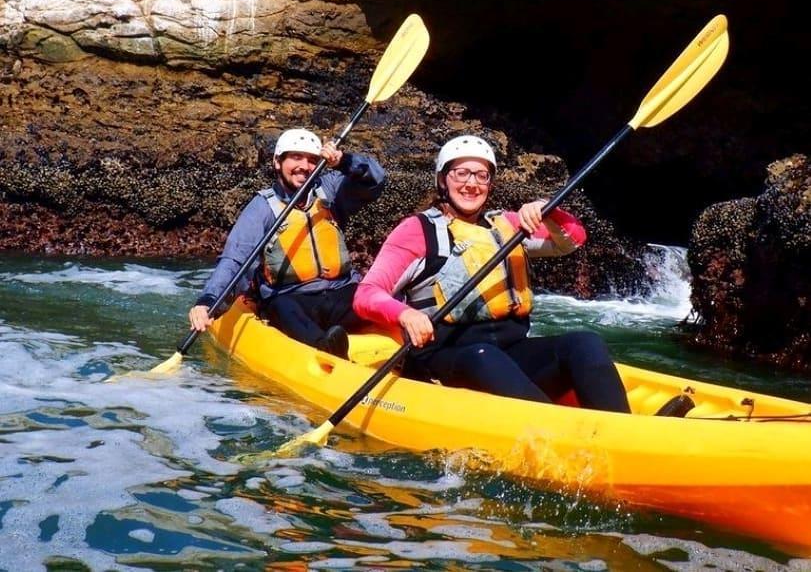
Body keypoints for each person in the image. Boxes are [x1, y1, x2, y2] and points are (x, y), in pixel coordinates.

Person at [353, 134, 631, 412]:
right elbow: (366, 294)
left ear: (490, 183)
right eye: (461, 173)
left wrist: (549, 211)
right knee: (482, 357)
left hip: (509, 355)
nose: (471, 183)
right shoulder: (418, 231)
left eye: (481, 175)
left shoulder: (507, 225)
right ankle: (557, 433)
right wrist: (404, 314)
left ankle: (623, 429)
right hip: (443, 363)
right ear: (442, 179)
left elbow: (572, 239)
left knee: (584, 343)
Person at [188, 128, 386, 358]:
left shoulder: (330, 191)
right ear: (277, 162)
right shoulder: (262, 208)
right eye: (296, 157)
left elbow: (376, 180)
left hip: (341, 293)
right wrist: (208, 301)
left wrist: (343, 161)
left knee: (379, 298)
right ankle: (325, 349)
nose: (304, 166)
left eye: (312, 160)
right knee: (282, 306)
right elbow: (235, 260)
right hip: (293, 300)